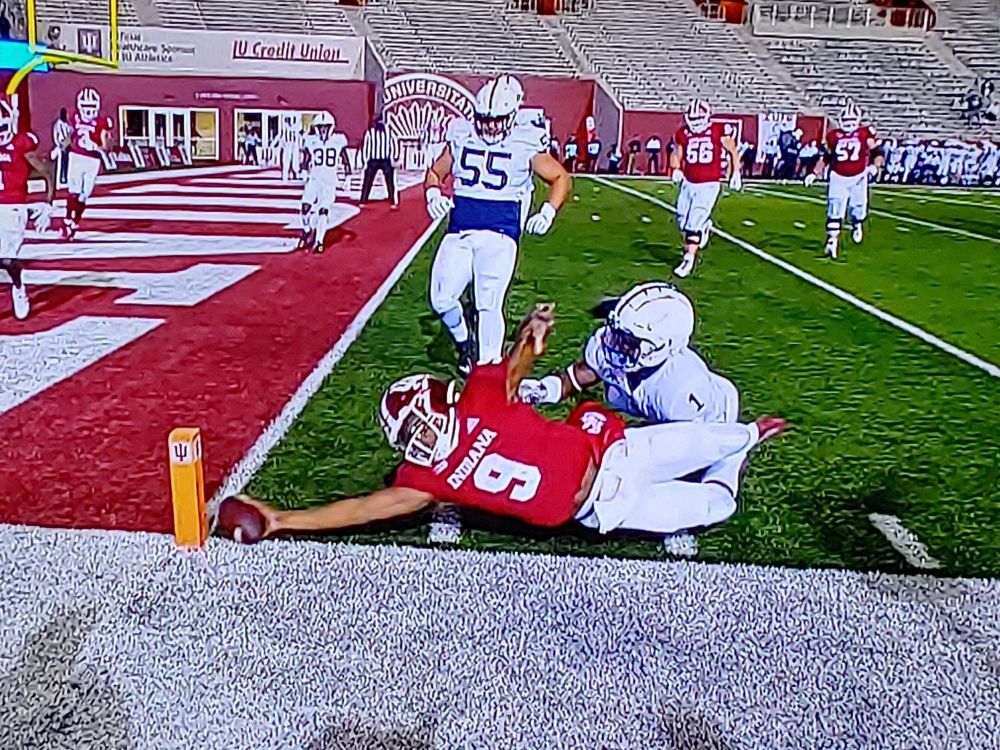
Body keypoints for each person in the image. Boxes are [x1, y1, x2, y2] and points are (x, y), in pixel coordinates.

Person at [224, 303, 786, 543]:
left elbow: (514, 368)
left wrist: (531, 336)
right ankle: (737, 453)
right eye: (412, 437)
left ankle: (747, 436)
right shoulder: (426, 478)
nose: (422, 441)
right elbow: (358, 510)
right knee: (719, 505)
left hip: (615, 453)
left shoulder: (467, 417)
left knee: (721, 433)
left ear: (442, 403)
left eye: (420, 425)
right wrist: (281, 520)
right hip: (601, 509)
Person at [423, 74, 571, 375]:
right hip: (461, 227)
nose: (490, 126)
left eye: (497, 119)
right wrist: (432, 192)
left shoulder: (526, 140)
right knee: (441, 299)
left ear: (512, 115)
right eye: (485, 119)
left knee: (488, 303)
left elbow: (560, 177)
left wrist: (548, 211)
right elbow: (436, 171)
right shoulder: (462, 134)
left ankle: (487, 370)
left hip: (501, 231)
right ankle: (466, 343)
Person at [519, 282, 740, 425]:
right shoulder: (614, 348)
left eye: (629, 341)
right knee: (614, 397)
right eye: (618, 335)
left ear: (662, 346)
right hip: (645, 399)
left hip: (711, 423)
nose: (616, 345)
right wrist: (542, 390)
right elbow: (579, 375)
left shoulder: (680, 390)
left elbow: (678, 449)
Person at [670, 99, 741, 278]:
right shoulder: (683, 133)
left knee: (693, 224)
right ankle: (704, 228)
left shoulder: (718, 131)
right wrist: (676, 168)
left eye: (697, 118)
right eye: (692, 118)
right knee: (682, 220)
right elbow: (677, 152)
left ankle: (688, 258)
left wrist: (735, 173)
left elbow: (733, 151)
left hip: (709, 183)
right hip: (688, 181)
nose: (694, 123)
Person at [805, 100, 881, 260]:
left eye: (852, 120)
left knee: (857, 209)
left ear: (858, 120)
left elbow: (877, 152)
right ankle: (832, 241)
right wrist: (814, 172)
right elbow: (825, 156)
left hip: (859, 177)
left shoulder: (864, 133)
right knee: (835, 207)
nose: (849, 123)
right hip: (838, 176)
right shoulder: (833, 136)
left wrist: (875, 167)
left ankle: (856, 224)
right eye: (846, 120)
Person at [1, 96, 54, 320]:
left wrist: (49, 204)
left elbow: (46, 171)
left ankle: (18, 286)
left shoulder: (21, 145)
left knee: (5, 260)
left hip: (13, 207)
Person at [62, 88, 112, 241]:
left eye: (91, 107)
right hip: (76, 156)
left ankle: (74, 221)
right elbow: (69, 135)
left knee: (84, 195)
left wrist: (96, 146)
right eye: (85, 106)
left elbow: (107, 144)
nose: (88, 111)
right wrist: (63, 146)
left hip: (92, 159)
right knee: (74, 191)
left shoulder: (102, 122)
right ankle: (67, 219)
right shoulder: (74, 117)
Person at [298, 111, 351, 253]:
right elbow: (307, 157)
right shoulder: (311, 140)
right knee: (304, 207)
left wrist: (347, 176)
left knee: (323, 211)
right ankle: (307, 230)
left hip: (329, 182)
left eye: (325, 127)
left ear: (331, 127)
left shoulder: (338, 140)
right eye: (320, 127)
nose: (323, 130)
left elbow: (344, 158)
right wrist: (303, 170)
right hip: (314, 180)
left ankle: (319, 241)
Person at [359, 114, 397, 207]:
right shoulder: (370, 133)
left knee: (390, 181)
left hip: (385, 159)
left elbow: (394, 144)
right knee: (368, 180)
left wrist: (394, 157)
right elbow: (366, 147)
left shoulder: (389, 132)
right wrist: (364, 160)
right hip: (373, 160)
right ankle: (363, 200)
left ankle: (392, 200)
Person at [277, 115, 302, 182]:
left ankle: (295, 174)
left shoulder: (296, 127)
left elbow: (299, 136)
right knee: (286, 161)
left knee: (295, 161)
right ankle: (285, 176)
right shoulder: (285, 127)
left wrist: (300, 145)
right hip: (287, 145)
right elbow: (281, 136)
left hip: (294, 145)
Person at [52, 107, 71, 186]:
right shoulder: (57, 124)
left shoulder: (66, 124)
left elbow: (70, 132)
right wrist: (58, 144)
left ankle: (65, 177)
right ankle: (60, 177)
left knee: (66, 162)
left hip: (67, 145)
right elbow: (55, 134)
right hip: (61, 145)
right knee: (60, 162)